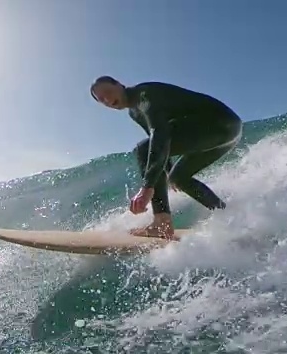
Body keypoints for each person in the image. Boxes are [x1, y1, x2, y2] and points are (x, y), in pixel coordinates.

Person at [90, 76, 242, 240]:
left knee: (143, 149)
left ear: (119, 84)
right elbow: (159, 143)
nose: (107, 100)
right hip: (229, 131)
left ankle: (162, 223)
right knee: (178, 177)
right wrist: (169, 172)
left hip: (218, 123)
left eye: (107, 92)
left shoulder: (144, 95)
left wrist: (147, 187)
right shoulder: (134, 113)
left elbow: (158, 135)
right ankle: (231, 220)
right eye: (101, 100)